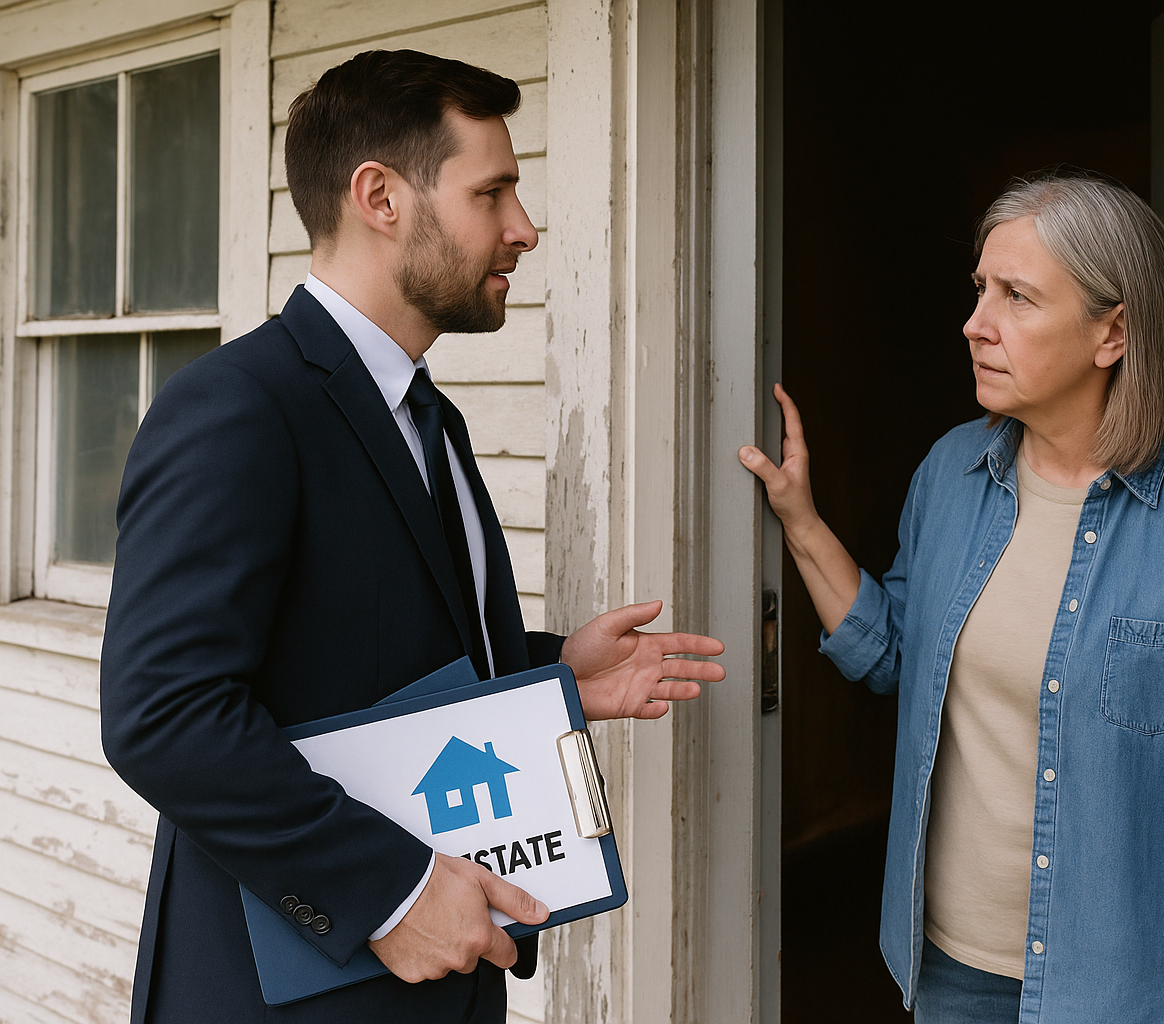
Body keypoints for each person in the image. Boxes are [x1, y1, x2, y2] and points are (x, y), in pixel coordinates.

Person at [99, 50, 724, 1024]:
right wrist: (392, 888)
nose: (523, 228)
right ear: (380, 198)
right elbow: (165, 717)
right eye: (493, 192)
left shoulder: (428, 417)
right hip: (289, 993)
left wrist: (552, 672)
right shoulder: (237, 408)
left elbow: (363, 655)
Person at [739, 170, 1164, 1024]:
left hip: (1141, 992)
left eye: (1018, 298)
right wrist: (803, 523)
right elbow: (892, 654)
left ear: (1112, 332)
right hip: (953, 970)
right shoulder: (952, 475)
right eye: (979, 290)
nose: (976, 323)